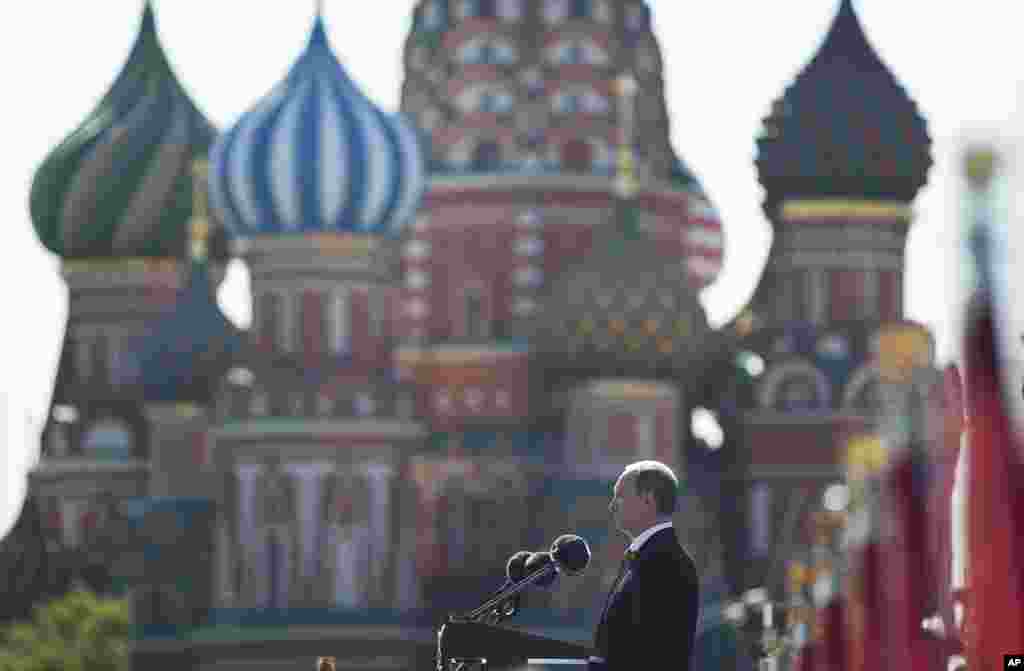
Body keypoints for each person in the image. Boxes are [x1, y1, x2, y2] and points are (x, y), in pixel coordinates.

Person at [590, 460, 699, 670]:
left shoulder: (667, 562)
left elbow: (654, 652)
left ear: (648, 500)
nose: (611, 506)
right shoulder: (641, 556)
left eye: (619, 497)